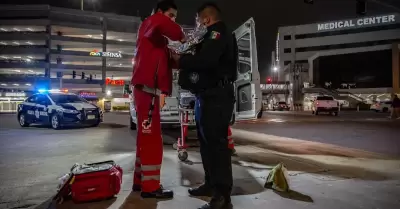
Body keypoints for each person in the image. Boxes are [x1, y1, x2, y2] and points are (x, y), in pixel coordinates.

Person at [172, 2, 238, 209]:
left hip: (217, 96)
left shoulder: (217, 33)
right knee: (206, 143)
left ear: (207, 19)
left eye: (199, 21)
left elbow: (206, 60)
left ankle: (222, 196)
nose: (198, 25)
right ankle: (211, 184)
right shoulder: (210, 36)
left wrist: (179, 61)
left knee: (217, 146)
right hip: (206, 96)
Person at [130, 0, 185, 199]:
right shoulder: (151, 23)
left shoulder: (156, 39)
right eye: (171, 16)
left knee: (144, 138)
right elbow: (164, 25)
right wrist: (182, 35)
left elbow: (168, 61)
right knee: (152, 138)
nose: (172, 21)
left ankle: (140, 181)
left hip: (147, 92)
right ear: (160, 13)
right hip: (147, 92)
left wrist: (181, 58)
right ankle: (151, 187)